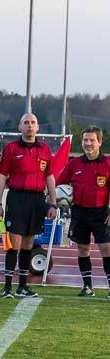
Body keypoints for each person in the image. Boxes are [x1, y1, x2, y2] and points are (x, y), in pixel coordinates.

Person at [0, 113, 58, 299]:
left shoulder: (45, 149)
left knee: (29, 242)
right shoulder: (11, 149)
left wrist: (53, 203)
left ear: (38, 127)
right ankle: (7, 287)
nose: (30, 126)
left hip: (37, 200)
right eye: (26, 122)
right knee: (14, 243)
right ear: (19, 127)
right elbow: (2, 177)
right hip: (17, 198)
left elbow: (50, 177)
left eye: (33, 122)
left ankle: (22, 286)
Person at [55, 126, 110, 297]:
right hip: (79, 212)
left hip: (102, 213)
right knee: (82, 249)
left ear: (99, 142)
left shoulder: (108, 164)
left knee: (106, 248)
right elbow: (59, 185)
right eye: (85, 140)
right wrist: (59, 199)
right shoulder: (74, 164)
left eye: (92, 140)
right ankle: (87, 286)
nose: (88, 143)